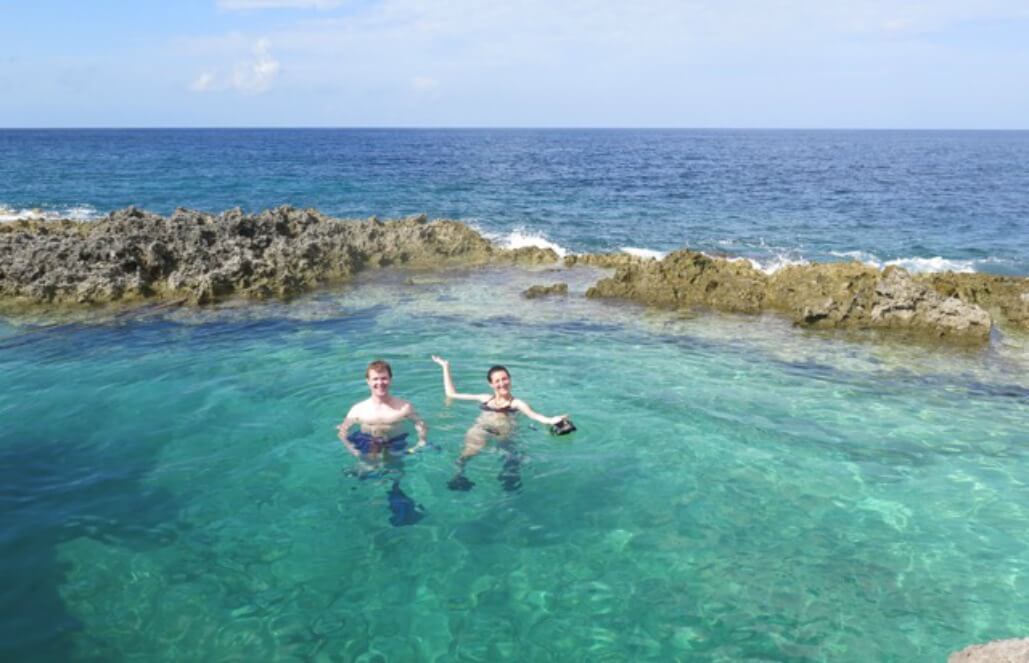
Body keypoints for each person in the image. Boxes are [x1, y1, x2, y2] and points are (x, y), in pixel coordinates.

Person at [430, 355, 568, 491]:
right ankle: (458, 477)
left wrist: (551, 420)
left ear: (510, 379)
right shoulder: (484, 398)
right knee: (465, 456)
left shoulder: (517, 403)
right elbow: (452, 394)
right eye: (497, 381)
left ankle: (508, 480)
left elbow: (535, 416)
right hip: (482, 429)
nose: (502, 383)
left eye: (505, 379)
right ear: (491, 384)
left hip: (504, 433)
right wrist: (445, 367)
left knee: (512, 457)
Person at [337, 359, 428, 526]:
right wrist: (353, 450)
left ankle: (402, 506)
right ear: (368, 381)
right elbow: (343, 432)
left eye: (384, 378)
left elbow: (420, 423)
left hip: (395, 442)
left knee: (396, 473)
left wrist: (421, 442)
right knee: (366, 472)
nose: (380, 383)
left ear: (390, 379)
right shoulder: (358, 409)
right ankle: (367, 506)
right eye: (375, 379)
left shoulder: (404, 407)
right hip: (366, 442)